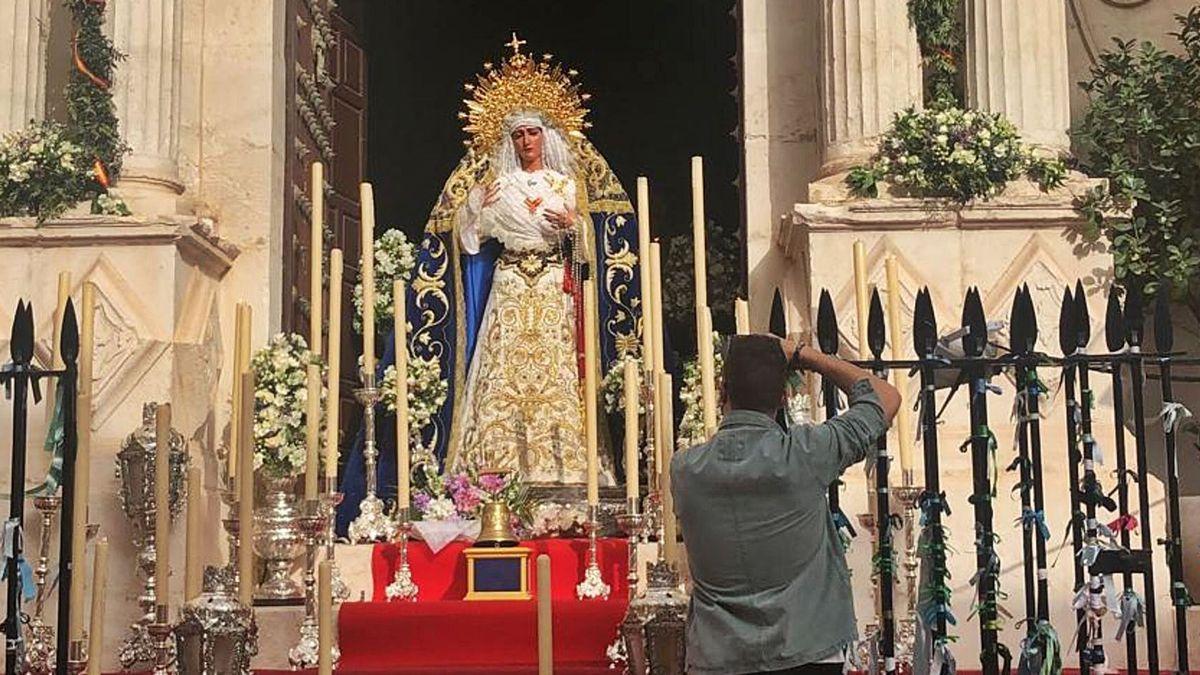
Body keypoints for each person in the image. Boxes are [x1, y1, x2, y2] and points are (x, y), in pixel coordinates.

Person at [671, 333, 901, 675]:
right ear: (784, 396)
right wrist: (805, 356)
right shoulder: (807, 453)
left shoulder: (686, 469)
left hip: (720, 655)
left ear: (722, 393)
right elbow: (885, 396)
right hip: (806, 648)